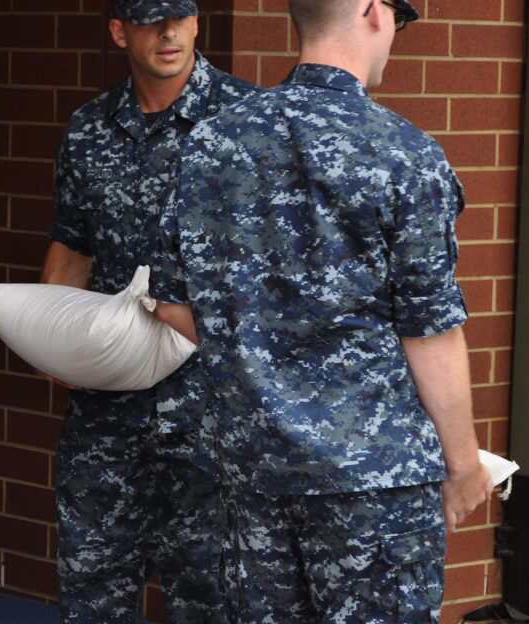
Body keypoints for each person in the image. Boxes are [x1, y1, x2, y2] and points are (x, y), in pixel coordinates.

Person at [149, 0, 493, 621]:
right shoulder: (405, 153)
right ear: (373, 12)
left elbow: (173, 308)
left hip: (250, 475)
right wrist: (463, 463)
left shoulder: (210, 143)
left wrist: (262, 363)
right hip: (375, 487)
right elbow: (431, 332)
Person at [40, 1, 259, 621]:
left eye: (180, 16)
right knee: (93, 593)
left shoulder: (245, 120)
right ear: (119, 31)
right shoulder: (89, 128)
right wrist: (54, 342)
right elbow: (73, 242)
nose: (168, 33)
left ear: (196, 23)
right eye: (150, 18)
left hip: (211, 415)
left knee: (212, 601)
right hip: (108, 411)